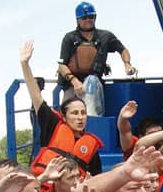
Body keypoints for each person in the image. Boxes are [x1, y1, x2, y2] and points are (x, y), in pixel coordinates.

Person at [22, 40, 105, 174]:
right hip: (50, 188)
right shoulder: (53, 126)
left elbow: (97, 176)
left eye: (83, 113)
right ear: (64, 117)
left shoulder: (90, 145)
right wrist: (25, 65)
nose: (80, 117)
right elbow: (37, 99)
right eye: (75, 113)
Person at [57, 1, 133, 116]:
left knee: (92, 111)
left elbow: (123, 50)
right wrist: (74, 81)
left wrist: (127, 64)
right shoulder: (69, 38)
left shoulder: (105, 36)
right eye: (84, 17)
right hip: (73, 85)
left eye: (91, 17)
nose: (88, 20)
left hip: (94, 85)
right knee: (67, 114)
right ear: (77, 20)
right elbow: (61, 65)